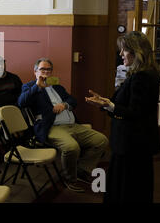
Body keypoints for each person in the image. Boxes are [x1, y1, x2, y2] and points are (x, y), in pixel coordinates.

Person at [85, 31, 160, 202]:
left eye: (124, 50)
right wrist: (106, 102)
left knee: (128, 190)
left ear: (137, 52)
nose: (120, 54)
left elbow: (135, 112)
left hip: (133, 144)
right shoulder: (141, 74)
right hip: (133, 143)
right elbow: (125, 104)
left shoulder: (142, 77)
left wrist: (109, 105)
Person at [18, 58, 108, 193]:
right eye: (43, 69)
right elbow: (21, 102)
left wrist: (64, 104)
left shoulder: (57, 86)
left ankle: (82, 170)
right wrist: (37, 87)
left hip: (72, 124)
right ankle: (70, 178)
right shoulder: (29, 87)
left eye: (49, 70)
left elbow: (72, 100)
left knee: (101, 140)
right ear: (35, 71)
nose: (46, 72)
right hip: (52, 127)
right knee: (72, 147)